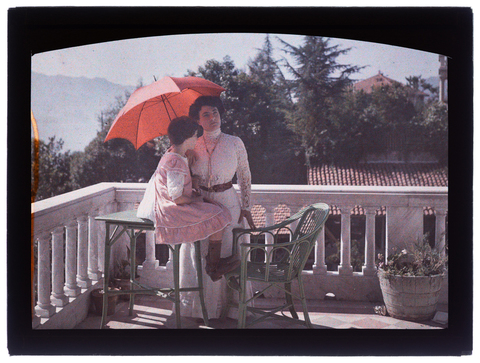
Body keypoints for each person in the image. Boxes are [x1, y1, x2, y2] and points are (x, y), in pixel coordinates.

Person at [177, 95, 256, 320]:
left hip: (228, 201)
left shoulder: (234, 142)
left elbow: (245, 175)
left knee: (226, 252)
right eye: (206, 115)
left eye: (216, 113)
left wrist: (247, 206)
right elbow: (182, 177)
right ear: (198, 120)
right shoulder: (192, 144)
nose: (213, 118)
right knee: (201, 253)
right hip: (201, 203)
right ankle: (202, 309)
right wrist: (187, 162)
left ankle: (227, 309)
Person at [138, 116, 239, 281]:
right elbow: (177, 197)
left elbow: (176, 184)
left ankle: (213, 263)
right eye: (194, 136)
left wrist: (194, 181)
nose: (196, 139)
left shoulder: (173, 154)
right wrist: (196, 200)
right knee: (217, 214)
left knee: (216, 209)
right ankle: (213, 266)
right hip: (168, 209)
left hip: (165, 203)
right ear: (186, 138)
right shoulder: (175, 161)